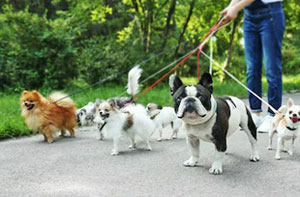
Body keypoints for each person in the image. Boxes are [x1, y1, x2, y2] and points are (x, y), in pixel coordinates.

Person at [220, 0, 285, 132]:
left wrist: (236, 8)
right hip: (249, 16)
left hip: (270, 14)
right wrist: (231, 6)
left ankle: (273, 116)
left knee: (272, 69)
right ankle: (255, 114)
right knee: (252, 69)